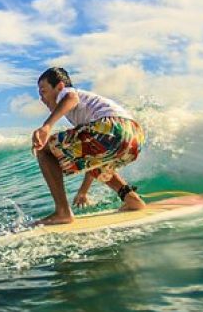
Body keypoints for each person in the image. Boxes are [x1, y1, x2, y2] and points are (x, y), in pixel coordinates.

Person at [31, 67, 146, 225]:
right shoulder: (86, 111)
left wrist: (47, 126)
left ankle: (62, 212)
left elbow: (71, 97)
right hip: (134, 136)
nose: (42, 99)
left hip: (111, 127)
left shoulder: (68, 93)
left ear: (59, 87)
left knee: (44, 150)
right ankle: (132, 199)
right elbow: (91, 159)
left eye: (43, 92)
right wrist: (83, 191)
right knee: (94, 162)